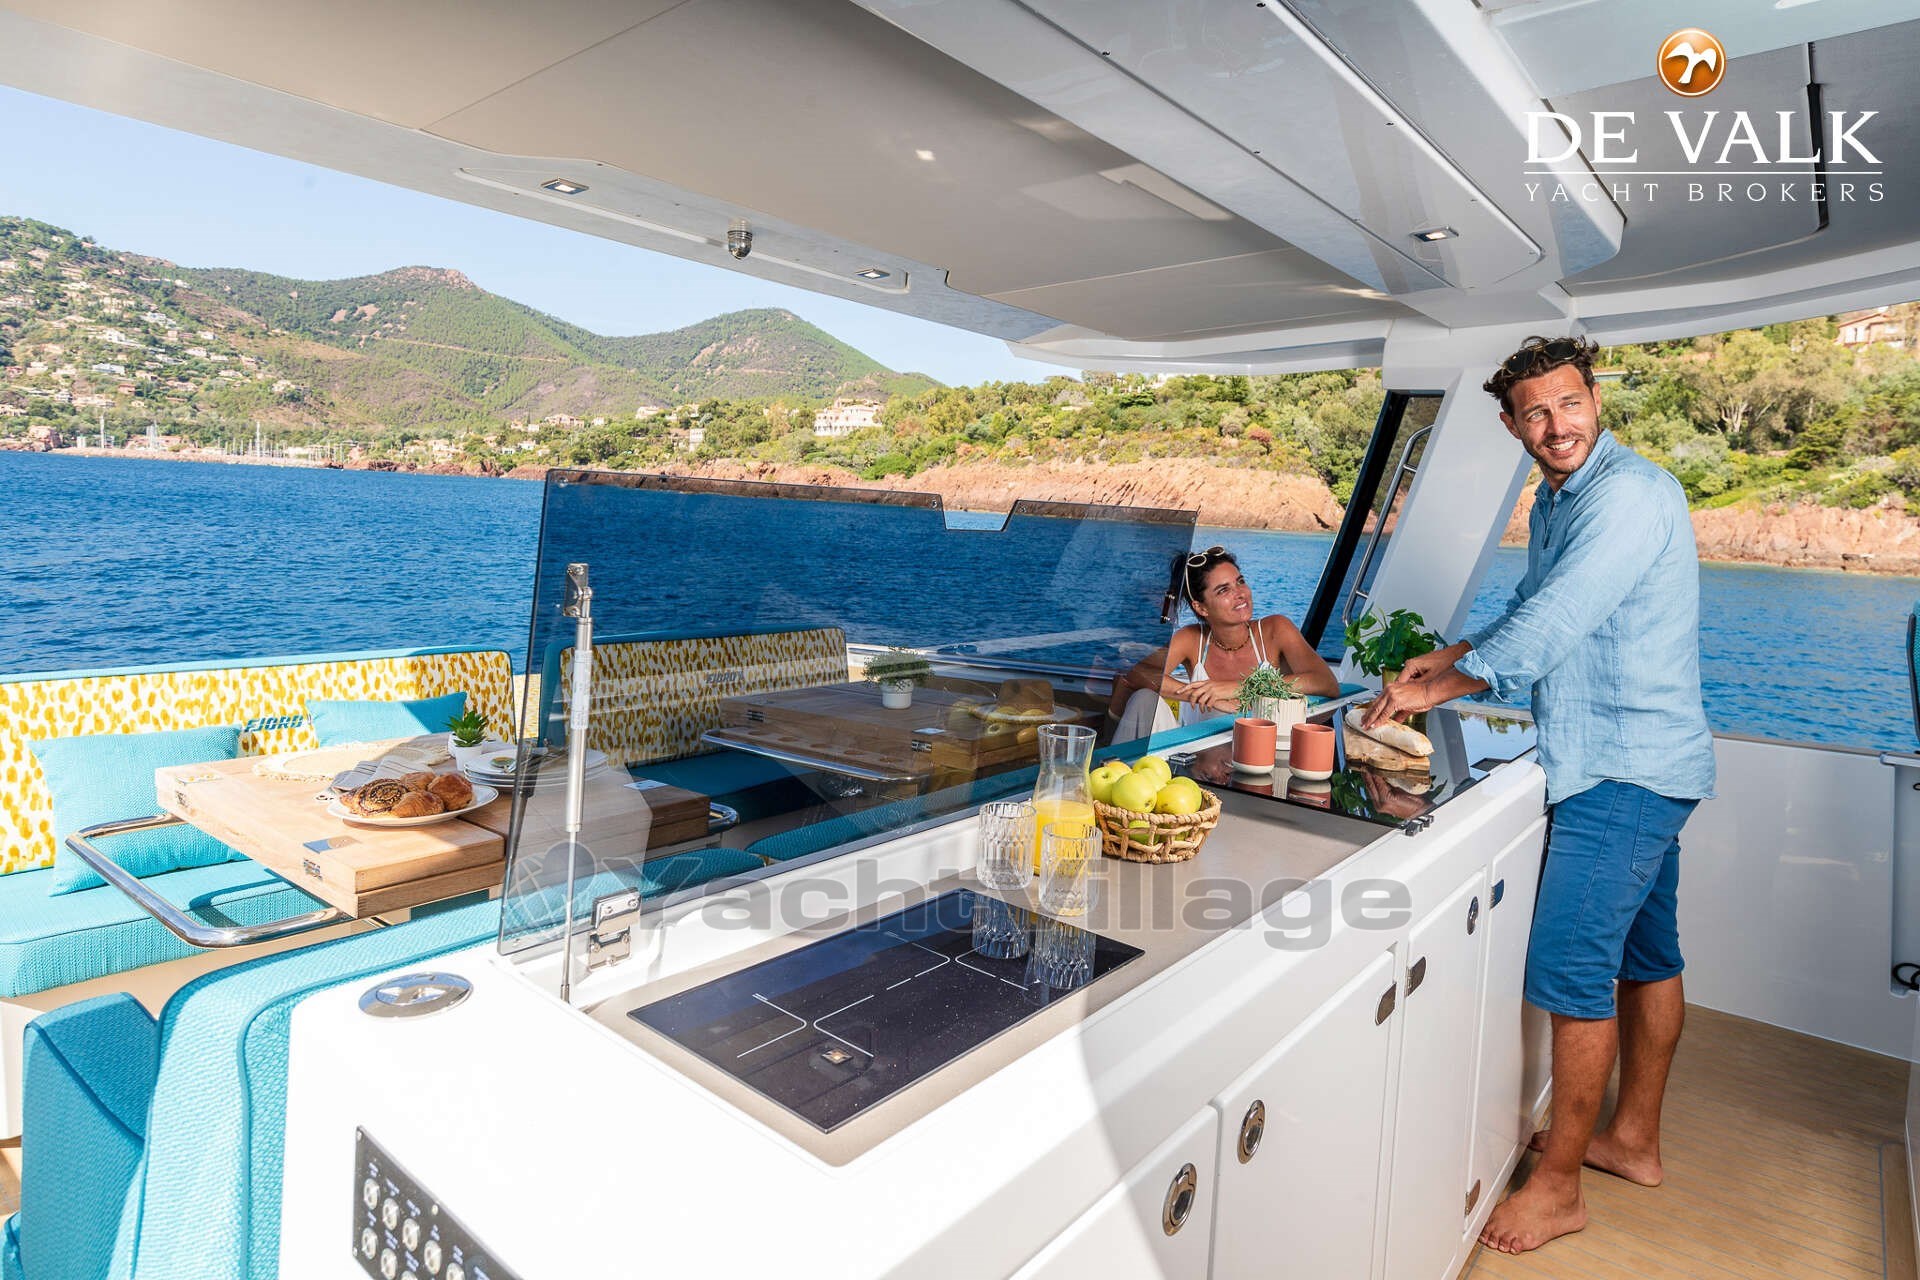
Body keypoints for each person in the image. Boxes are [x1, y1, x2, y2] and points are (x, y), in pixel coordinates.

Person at [1363, 336, 1716, 1256]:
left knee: (1568, 969)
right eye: (1535, 413)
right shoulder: (1562, 500)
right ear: (1512, 424)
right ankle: (1632, 1141)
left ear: (1595, 398)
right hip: (1640, 759)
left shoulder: (1629, 495)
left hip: (1622, 769)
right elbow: (1531, 603)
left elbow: (1555, 624)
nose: (1557, 426)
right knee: (1648, 956)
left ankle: (1558, 1188)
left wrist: (1438, 690)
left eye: (1569, 404)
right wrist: (1445, 653)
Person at [1110, 545, 1338, 736]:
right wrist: (1204, 696)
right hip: (1198, 756)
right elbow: (1138, 673)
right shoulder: (1192, 639)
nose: (1240, 594)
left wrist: (1233, 688)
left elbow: (1326, 682)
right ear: (1201, 607)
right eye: (1223, 590)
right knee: (1144, 699)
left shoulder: (1275, 629)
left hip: (1262, 753)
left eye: (1240, 581)